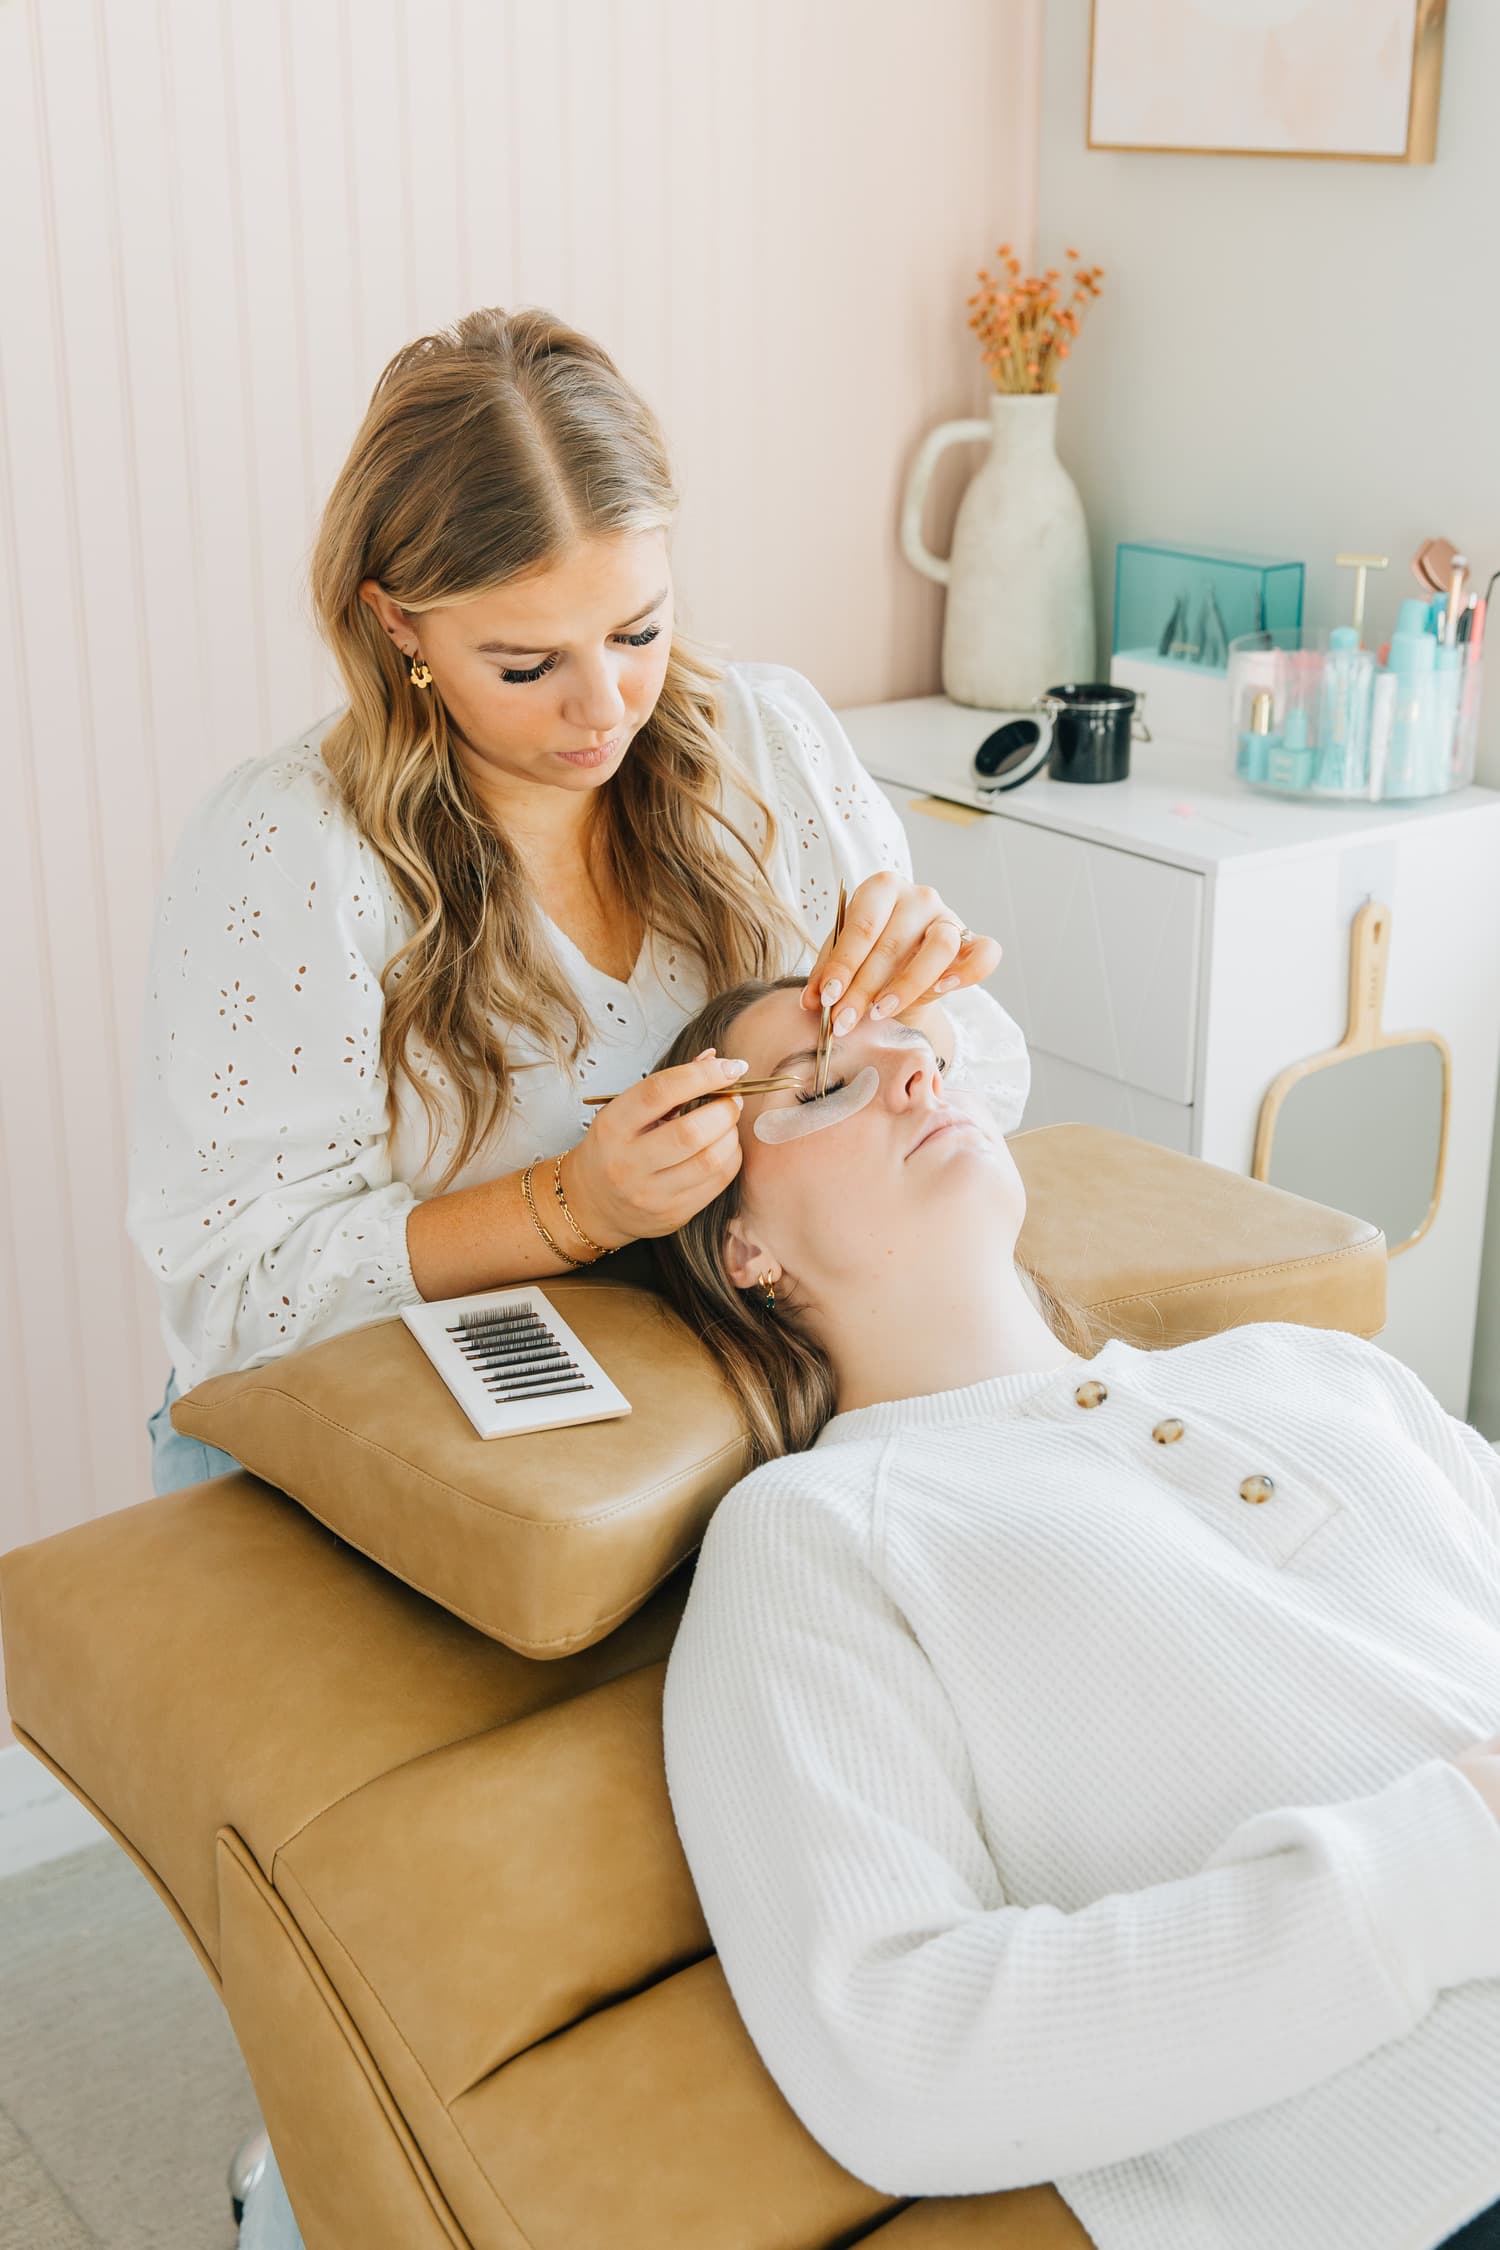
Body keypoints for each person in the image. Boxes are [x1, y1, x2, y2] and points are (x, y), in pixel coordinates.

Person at [124, 306, 1030, 2247]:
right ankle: (345, 2159)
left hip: (706, 1398)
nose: (601, 706)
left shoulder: (763, 738)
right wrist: (566, 1215)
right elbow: (234, 1298)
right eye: (524, 661)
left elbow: (986, 1089)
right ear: (396, 622)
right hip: (371, 1433)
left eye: (639, 629)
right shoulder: (293, 855)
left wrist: (933, 1002)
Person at [649, 973, 1500, 2250]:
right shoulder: (817, 1538)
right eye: (827, 1084)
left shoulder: (1315, 1369)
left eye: (920, 1044)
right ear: (742, 1247)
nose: (918, 1075)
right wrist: (1454, 1854)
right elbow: (895, 2053)